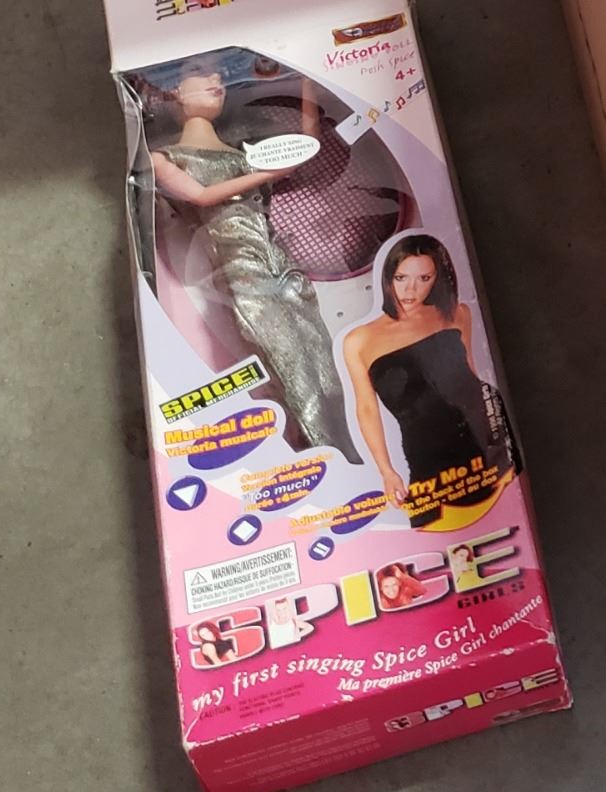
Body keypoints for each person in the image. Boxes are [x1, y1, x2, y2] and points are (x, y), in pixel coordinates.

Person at [149, 56, 363, 462]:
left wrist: (307, 84)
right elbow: (201, 197)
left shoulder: (241, 154)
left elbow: (305, 147)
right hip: (241, 272)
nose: (216, 79)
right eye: (198, 73)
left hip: (282, 262)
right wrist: (269, 173)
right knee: (289, 363)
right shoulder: (165, 159)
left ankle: (349, 453)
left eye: (220, 73)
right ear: (172, 90)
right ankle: (326, 458)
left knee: (323, 361)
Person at [342, 234, 516, 530]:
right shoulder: (359, 340)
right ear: (388, 277)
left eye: (424, 278)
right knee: (437, 534)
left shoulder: (456, 314)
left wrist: (499, 439)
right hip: (425, 461)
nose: (410, 289)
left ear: (437, 279)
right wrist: (386, 471)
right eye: (401, 277)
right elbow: (367, 409)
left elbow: (473, 377)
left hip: (482, 450)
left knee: (506, 522)